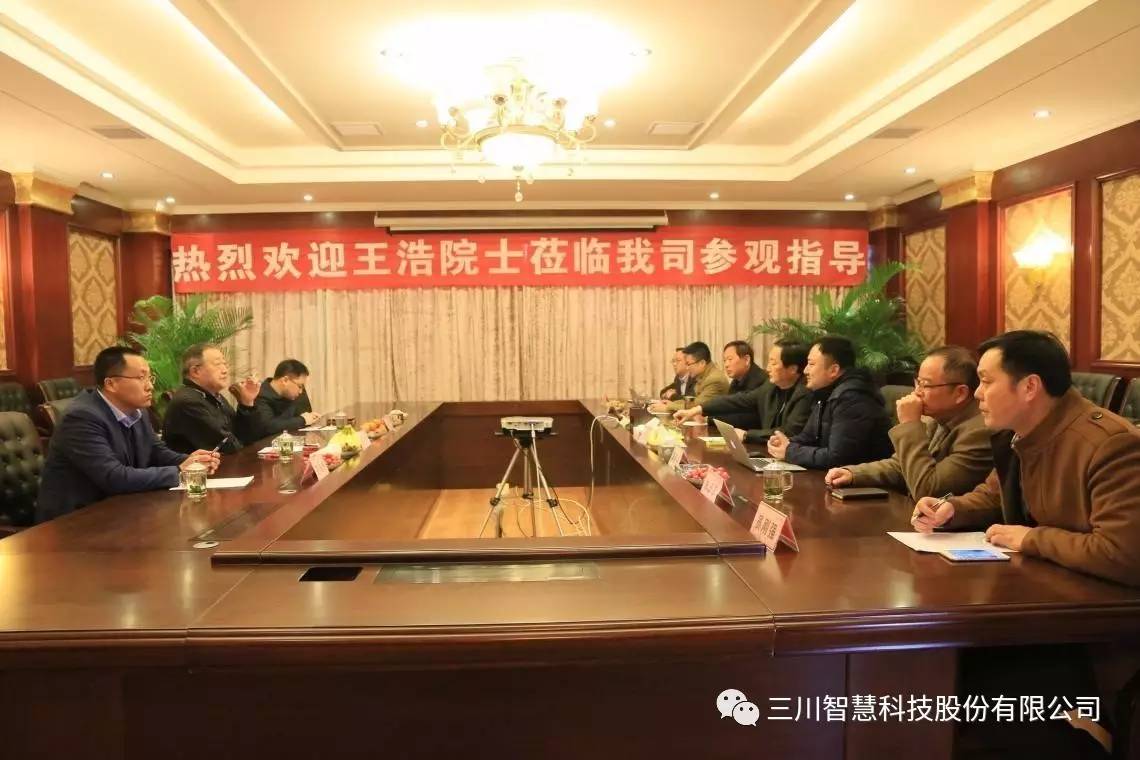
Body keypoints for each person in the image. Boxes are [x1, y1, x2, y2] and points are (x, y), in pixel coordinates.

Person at [911, 330, 1140, 587]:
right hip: (1045, 581)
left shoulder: (1110, 445)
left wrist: (1030, 539)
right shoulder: (1019, 430)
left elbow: (1123, 555)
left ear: (1029, 387)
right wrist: (952, 509)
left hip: (1103, 599)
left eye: (986, 382)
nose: (977, 394)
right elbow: (995, 495)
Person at [35, 346, 219, 523]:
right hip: (75, 521)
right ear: (111, 384)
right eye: (141, 378)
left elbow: (156, 451)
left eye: (150, 378)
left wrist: (193, 462)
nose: (150, 386)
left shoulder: (137, 410)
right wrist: (180, 471)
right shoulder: (82, 418)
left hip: (120, 509)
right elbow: (113, 477)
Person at [824, 345, 992, 499]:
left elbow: (928, 489)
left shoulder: (979, 432)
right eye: (917, 382)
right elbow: (901, 465)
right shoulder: (935, 417)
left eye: (925, 385)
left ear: (960, 393)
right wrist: (853, 474)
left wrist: (909, 424)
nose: (917, 392)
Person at [766, 336, 892, 469]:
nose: (805, 370)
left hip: (863, 480)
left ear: (833, 370)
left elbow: (839, 458)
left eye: (811, 364)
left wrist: (790, 451)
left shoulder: (853, 398)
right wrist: (784, 443)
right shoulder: (825, 393)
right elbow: (808, 437)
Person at [674, 340, 812, 442]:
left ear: (793, 369)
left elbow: (788, 432)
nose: (768, 368)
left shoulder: (805, 393)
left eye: (773, 363)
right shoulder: (770, 386)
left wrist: (746, 435)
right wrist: (698, 409)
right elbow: (739, 400)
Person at [162, 343, 260, 454]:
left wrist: (247, 403)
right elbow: (229, 447)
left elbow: (248, 437)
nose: (225, 370)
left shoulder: (214, 396)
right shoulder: (188, 402)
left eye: (225, 364)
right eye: (217, 364)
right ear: (195, 372)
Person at [649, 342, 730, 413]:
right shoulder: (703, 376)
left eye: (688, 364)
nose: (687, 368)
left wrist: (668, 407)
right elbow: (693, 401)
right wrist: (671, 403)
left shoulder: (714, 379)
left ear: (702, 363)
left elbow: (697, 406)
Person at [249, 359, 322, 440]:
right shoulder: (260, 394)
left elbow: (305, 418)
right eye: (300, 386)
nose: (301, 391)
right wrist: (302, 420)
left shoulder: (292, 394)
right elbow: (268, 426)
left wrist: (310, 417)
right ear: (285, 380)